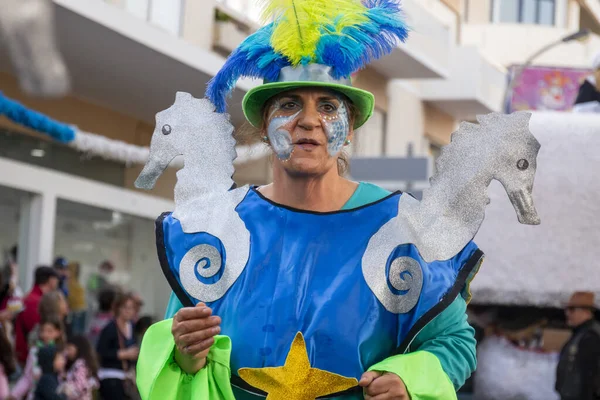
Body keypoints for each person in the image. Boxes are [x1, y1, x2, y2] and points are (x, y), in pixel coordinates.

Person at [136, 0, 484, 399]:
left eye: (328, 106)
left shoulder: (404, 229)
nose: (308, 120)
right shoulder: (214, 228)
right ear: (265, 127)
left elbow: (455, 344)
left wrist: (408, 379)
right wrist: (184, 354)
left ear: (349, 128)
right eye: (288, 104)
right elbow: (181, 349)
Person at [556, 291, 600, 400]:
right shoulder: (581, 333)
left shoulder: (590, 337)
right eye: (567, 309)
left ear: (585, 311)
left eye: (572, 310)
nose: (567, 313)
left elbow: (591, 378)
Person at [96, 292, 139, 400]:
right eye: (125, 307)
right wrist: (122, 354)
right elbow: (101, 352)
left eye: (131, 308)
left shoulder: (132, 328)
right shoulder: (110, 329)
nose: (128, 311)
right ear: (118, 308)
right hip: (111, 376)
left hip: (126, 377)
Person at [11, 316, 66, 400]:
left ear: (58, 332)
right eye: (42, 331)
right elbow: (27, 378)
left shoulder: (63, 353)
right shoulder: (34, 351)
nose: (45, 334)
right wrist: (14, 395)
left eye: (50, 331)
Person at [15, 266, 60, 365]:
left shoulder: (32, 298)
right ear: (51, 280)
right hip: (29, 359)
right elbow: (35, 330)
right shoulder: (34, 302)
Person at [57, 335, 99, 400]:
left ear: (79, 348)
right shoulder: (79, 363)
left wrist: (65, 392)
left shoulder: (81, 364)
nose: (67, 352)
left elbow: (80, 387)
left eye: (69, 349)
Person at [66, 263, 86, 336]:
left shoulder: (74, 282)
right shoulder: (69, 283)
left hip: (78, 310)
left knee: (78, 334)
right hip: (74, 311)